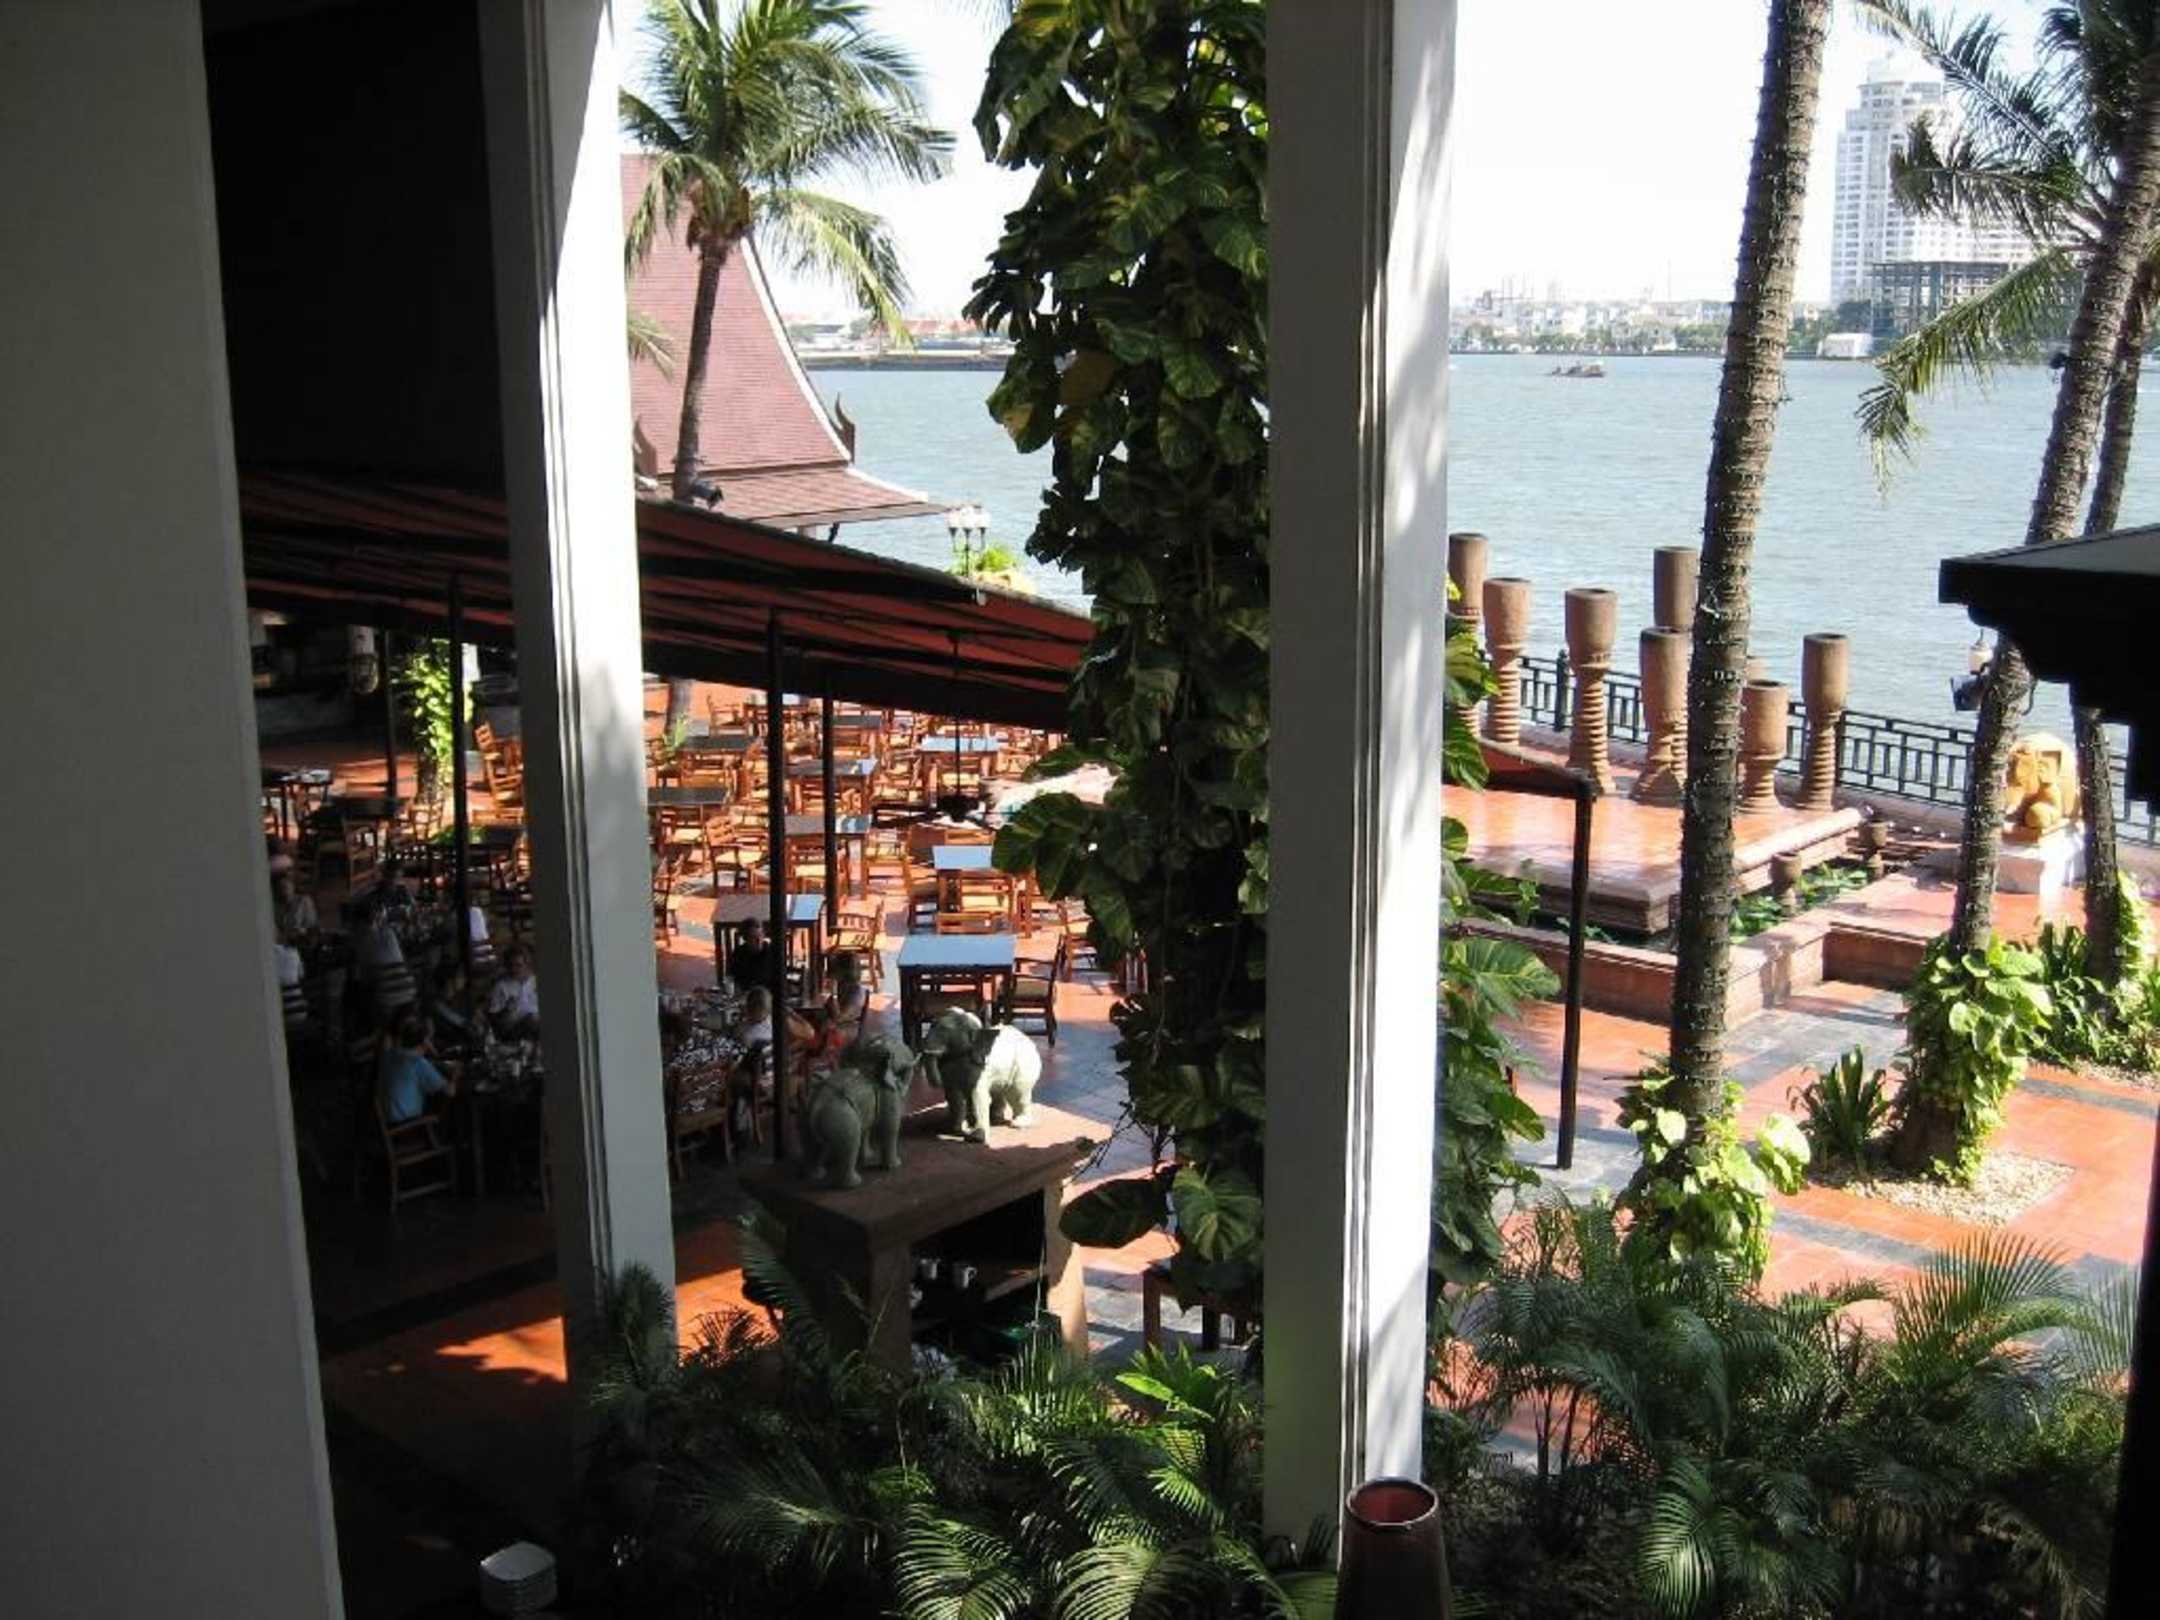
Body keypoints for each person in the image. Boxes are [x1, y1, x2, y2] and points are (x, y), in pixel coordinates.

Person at [377, 1011, 455, 1124]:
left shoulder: (389, 1054)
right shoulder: (418, 1063)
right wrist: (455, 1076)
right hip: (407, 1121)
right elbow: (448, 1091)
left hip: (386, 1117)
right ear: (425, 1042)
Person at [815, 950, 870, 1053]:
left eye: (835, 968)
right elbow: (827, 1008)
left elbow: (838, 1017)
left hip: (846, 1030)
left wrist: (834, 994)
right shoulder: (843, 986)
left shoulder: (857, 992)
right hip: (835, 1025)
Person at [486, 943, 540, 1039]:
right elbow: (493, 1018)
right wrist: (506, 1010)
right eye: (510, 965)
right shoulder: (501, 986)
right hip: (512, 1028)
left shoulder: (536, 981)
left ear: (527, 965)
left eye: (518, 965)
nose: (513, 969)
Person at [724, 918, 779, 994]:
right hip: (744, 993)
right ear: (745, 938)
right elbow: (731, 976)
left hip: (767, 994)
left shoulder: (772, 953)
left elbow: (778, 979)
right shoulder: (739, 953)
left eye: (760, 935)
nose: (759, 940)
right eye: (753, 937)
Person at [271, 871, 318, 945]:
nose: (283, 891)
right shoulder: (275, 905)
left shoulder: (304, 901)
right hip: (280, 944)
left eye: (285, 887)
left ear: (293, 886)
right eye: (280, 888)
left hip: (299, 942)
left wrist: (300, 932)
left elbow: (312, 926)